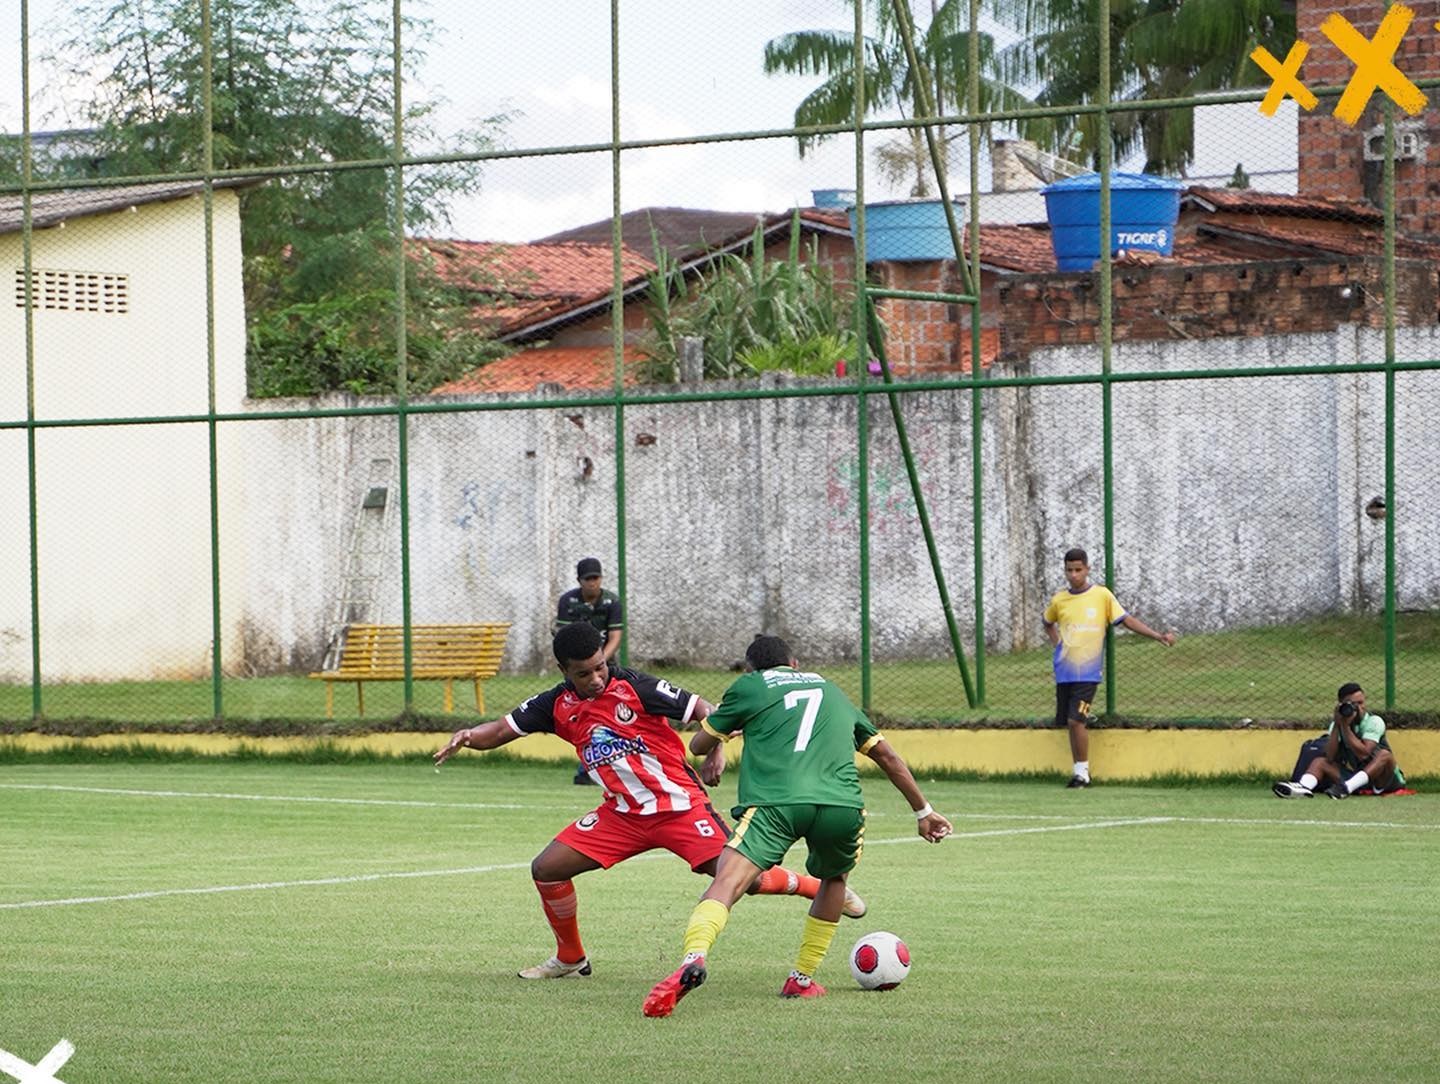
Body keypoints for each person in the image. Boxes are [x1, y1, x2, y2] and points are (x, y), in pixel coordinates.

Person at [433, 622, 865, 981]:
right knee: (546, 869)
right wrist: (469, 737)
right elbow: (503, 729)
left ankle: (823, 888)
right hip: (621, 816)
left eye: (600, 666)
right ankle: (570, 957)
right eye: (584, 673)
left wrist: (715, 750)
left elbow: (705, 710)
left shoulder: (637, 686)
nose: (597, 678)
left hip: (680, 807)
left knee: (744, 881)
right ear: (565, 670)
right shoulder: (555, 704)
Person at [642, 634, 951, 1018]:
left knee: (727, 881)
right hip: (841, 805)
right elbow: (885, 754)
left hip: (776, 804)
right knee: (834, 880)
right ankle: (801, 979)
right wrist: (924, 812)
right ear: (796, 663)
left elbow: (699, 746)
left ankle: (695, 956)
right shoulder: (832, 690)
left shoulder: (751, 686)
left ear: (752, 668)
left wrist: (729, 726)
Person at [1043, 547, 1176, 788]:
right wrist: (1058, 645)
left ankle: (1082, 774)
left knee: (1076, 721)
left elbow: (1126, 620)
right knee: (1067, 722)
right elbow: (1048, 622)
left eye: (1078, 570)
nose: (1073, 575)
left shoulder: (1101, 596)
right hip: (1064, 671)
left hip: (1088, 672)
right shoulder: (1059, 600)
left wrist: (1157, 636)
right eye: (1069, 570)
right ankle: (1079, 766)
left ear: (1087, 569)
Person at [556, 557, 625, 784]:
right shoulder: (568, 601)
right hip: (579, 673)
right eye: (588, 579)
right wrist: (584, 669)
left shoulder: (612, 602)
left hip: (607, 669)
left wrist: (598, 665)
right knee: (583, 715)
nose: (592, 583)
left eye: (596, 578)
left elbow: (615, 637)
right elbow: (562, 638)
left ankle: (607, 768)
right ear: (580, 581)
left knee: (609, 716)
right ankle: (588, 769)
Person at [1273, 682, 1405, 799]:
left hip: (1384, 780)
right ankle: (1302, 788)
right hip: (1358, 780)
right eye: (1354, 704)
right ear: (1342, 705)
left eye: (1361, 703)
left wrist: (1346, 727)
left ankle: (1345, 788)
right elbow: (1330, 756)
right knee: (1320, 761)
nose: (1359, 708)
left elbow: (1364, 753)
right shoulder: (1338, 725)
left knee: (1384, 755)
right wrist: (1338, 725)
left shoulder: (1374, 721)